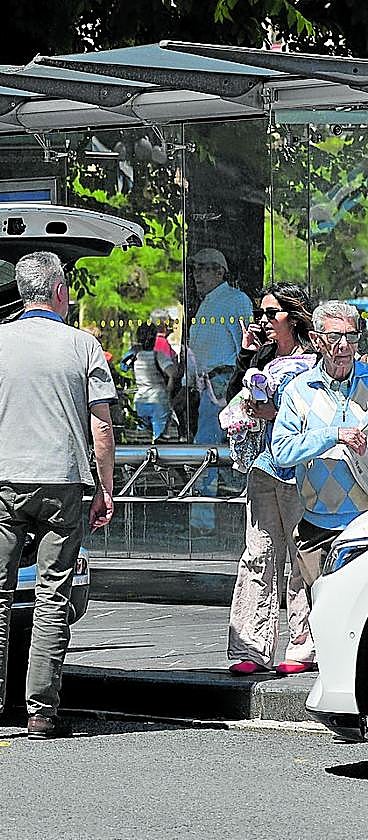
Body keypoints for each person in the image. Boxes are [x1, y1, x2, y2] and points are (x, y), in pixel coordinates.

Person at [0, 251, 117, 741]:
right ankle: (41, 714)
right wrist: (104, 489)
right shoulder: (83, 346)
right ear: (60, 292)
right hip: (63, 483)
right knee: (52, 596)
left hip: (4, 483)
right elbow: (102, 426)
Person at [223, 284, 318, 675]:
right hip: (264, 465)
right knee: (257, 553)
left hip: (301, 469)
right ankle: (251, 647)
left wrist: (275, 413)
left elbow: (317, 411)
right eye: (259, 314)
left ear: (292, 317)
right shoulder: (262, 356)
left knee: (300, 556)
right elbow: (232, 396)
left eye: (270, 313)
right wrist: (247, 354)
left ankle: (303, 645)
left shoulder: (314, 360)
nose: (263, 320)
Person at [272, 300, 368, 675]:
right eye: (334, 337)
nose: (343, 346)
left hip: (363, 524)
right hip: (317, 524)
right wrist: (333, 435)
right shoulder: (299, 390)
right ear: (316, 340)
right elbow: (281, 450)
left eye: (351, 337)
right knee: (326, 612)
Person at [187, 248, 253, 534]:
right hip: (206, 386)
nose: (197, 275)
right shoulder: (207, 303)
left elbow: (247, 349)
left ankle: (209, 522)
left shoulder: (235, 300)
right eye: (195, 269)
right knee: (208, 451)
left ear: (220, 272)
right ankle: (205, 520)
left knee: (213, 452)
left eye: (204, 268)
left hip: (225, 384)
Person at [129, 322, 177, 441]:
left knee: (143, 437)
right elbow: (172, 373)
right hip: (158, 400)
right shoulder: (158, 355)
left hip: (140, 400)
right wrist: (169, 388)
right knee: (159, 438)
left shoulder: (135, 356)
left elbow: (123, 366)